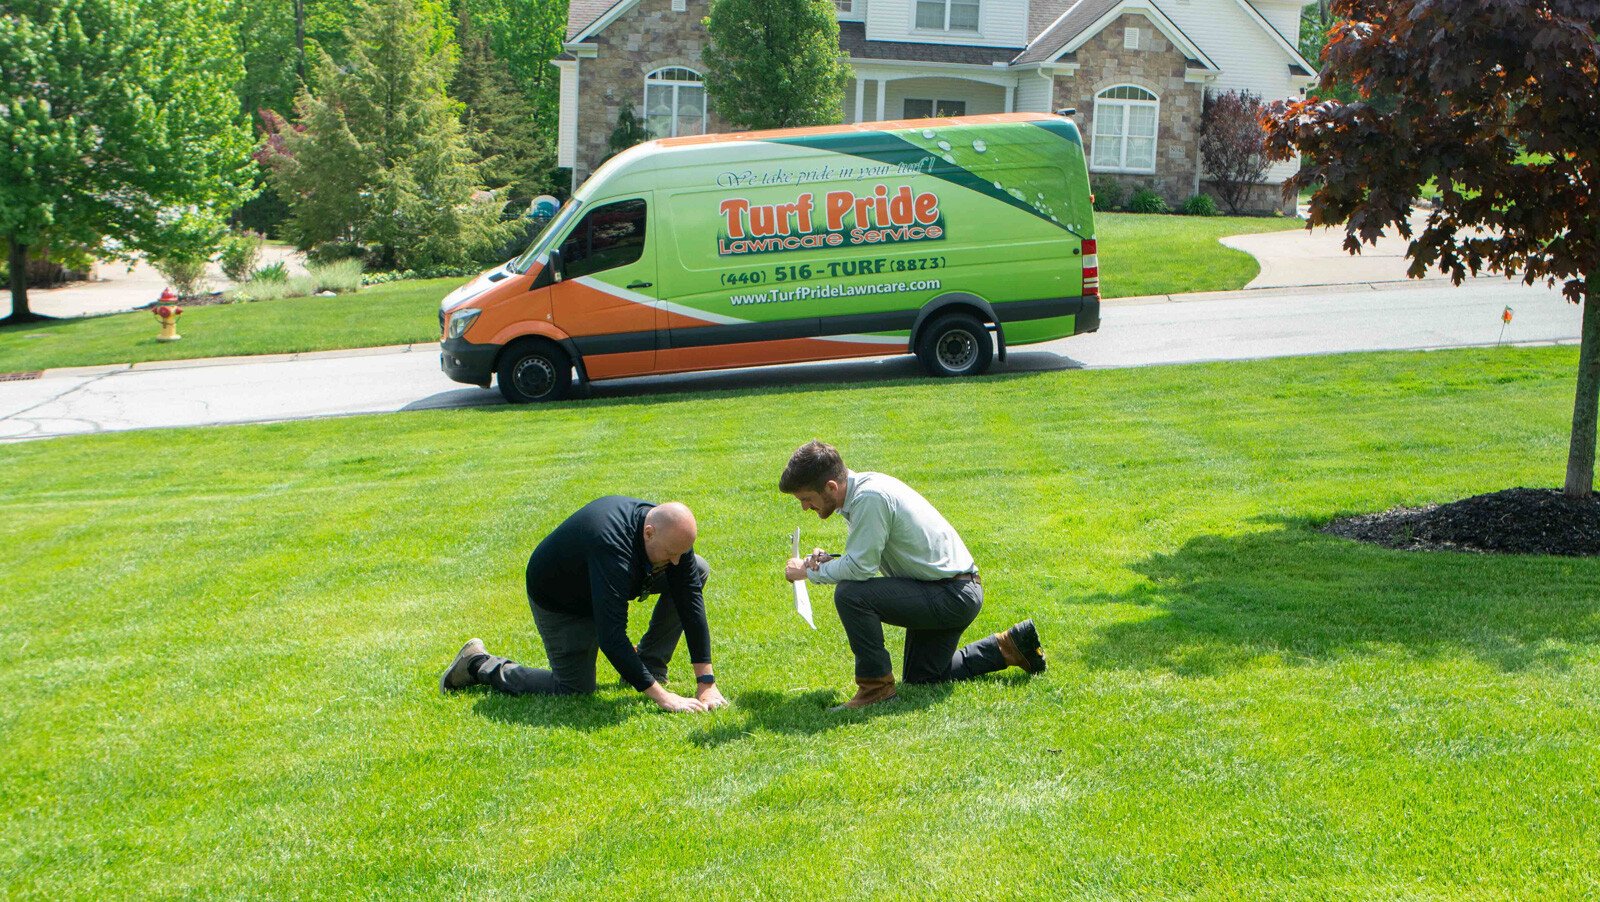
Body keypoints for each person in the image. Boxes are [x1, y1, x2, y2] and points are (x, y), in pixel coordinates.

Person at [780, 441, 1045, 710]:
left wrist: (808, 572)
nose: (804, 507)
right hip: (952, 589)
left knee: (851, 594)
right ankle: (1010, 645)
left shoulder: (869, 498)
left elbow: (860, 568)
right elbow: (865, 554)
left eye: (805, 499)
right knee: (922, 678)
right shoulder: (864, 491)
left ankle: (875, 688)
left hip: (951, 594)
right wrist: (825, 562)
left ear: (831, 487)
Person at [440, 497, 727, 713]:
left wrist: (707, 683)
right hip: (561, 597)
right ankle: (478, 664)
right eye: (670, 554)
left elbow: (690, 600)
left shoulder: (671, 536)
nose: (676, 561)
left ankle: (649, 665)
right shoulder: (613, 548)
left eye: (681, 553)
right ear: (648, 533)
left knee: (696, 569)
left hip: (601, 580)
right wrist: (664, 698)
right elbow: (611, 636)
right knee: (574, 688)